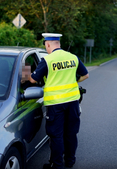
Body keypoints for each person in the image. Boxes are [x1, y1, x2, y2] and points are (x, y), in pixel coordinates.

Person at [28, 33, 89, 169]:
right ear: (59, 43)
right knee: (71, 133)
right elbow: (86, 75)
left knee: (56, 135)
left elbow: (33, 79)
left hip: (55, 104)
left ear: (48, 44)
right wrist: (73, 81)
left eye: (45, 45)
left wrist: (26, 73)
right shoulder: (73, 58)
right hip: (73, 102)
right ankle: (70, 161)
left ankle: (57, 165)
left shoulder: (48, 60)